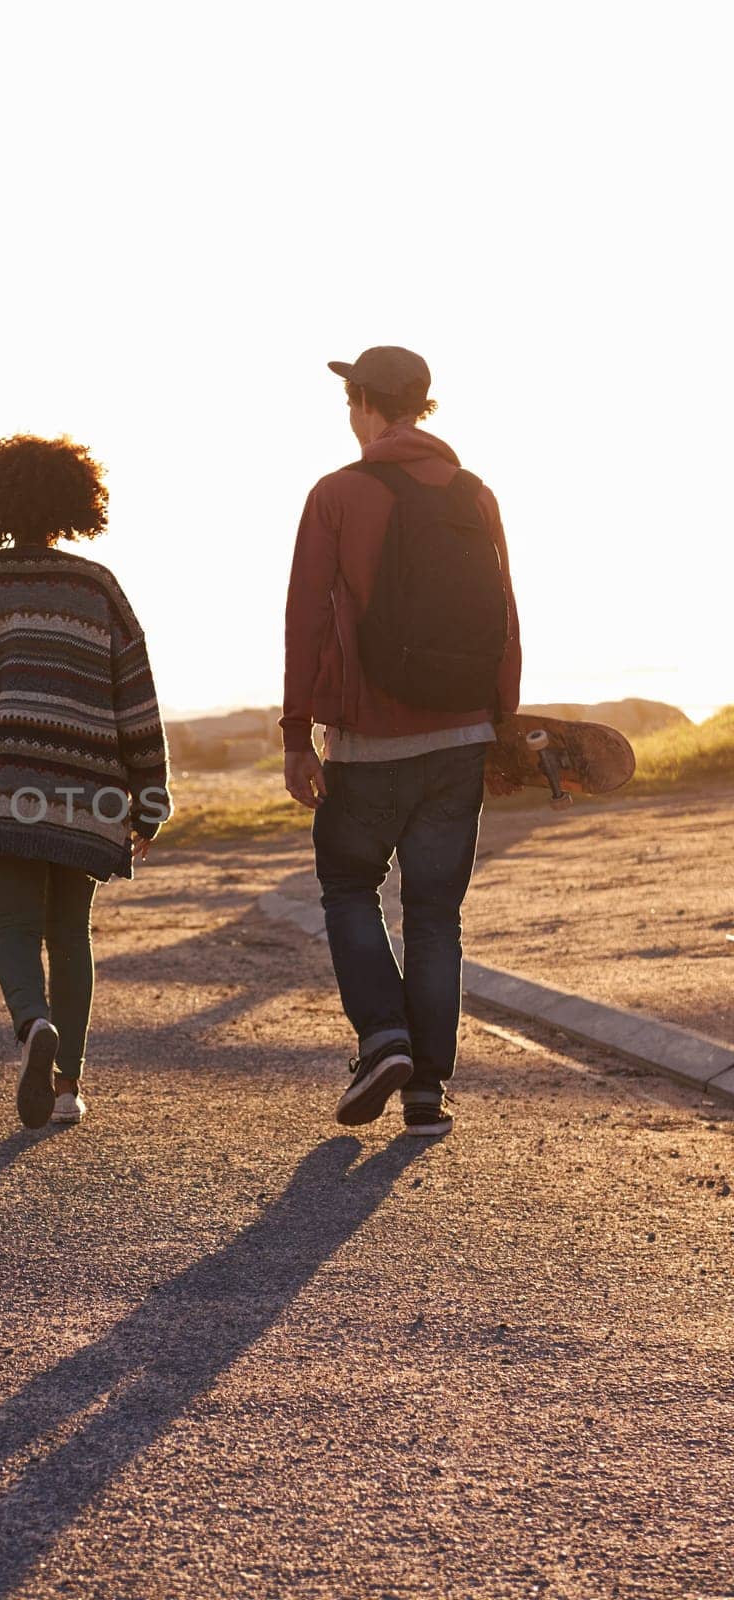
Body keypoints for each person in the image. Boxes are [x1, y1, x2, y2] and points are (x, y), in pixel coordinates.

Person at [281, 348, 522, 1139]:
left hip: (368, 744)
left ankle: (383, 1036)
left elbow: (305, 621)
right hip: (462, 738)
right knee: (435, 915)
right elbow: (507, 616)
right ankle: (426, 1095)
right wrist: (502, 724)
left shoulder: (337, 494)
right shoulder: (475, 493)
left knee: (350, 889)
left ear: (362, 406)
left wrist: (296, 736)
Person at [0, 435, 171, 1129]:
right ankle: (66, 1087)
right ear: (76, 503)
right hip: (89, 790)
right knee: (70, 934)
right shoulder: (97, 587)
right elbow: (137, 699)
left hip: (2, 790)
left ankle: (32, 1023)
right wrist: (148, 799)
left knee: (14, 925)